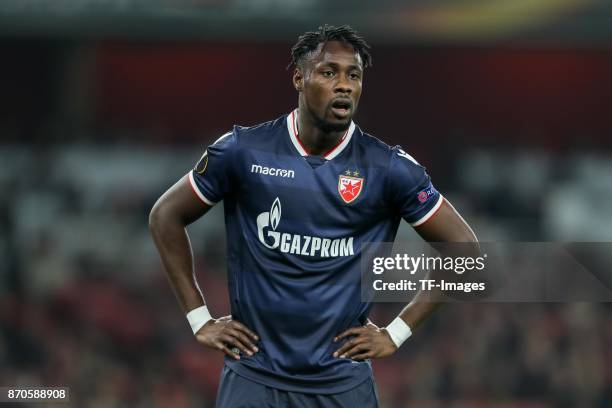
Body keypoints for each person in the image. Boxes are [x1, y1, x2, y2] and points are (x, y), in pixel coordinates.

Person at [149, 24, 477, 407]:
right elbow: (165, 216)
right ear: (299, 78)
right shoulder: (244, 151)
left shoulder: (389, 169)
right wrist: (199, 318)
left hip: (341, 384)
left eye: (353, 75)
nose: (344, 85)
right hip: (254, 379)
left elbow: (466, 251)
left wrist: (397, 332)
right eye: (329, 72)